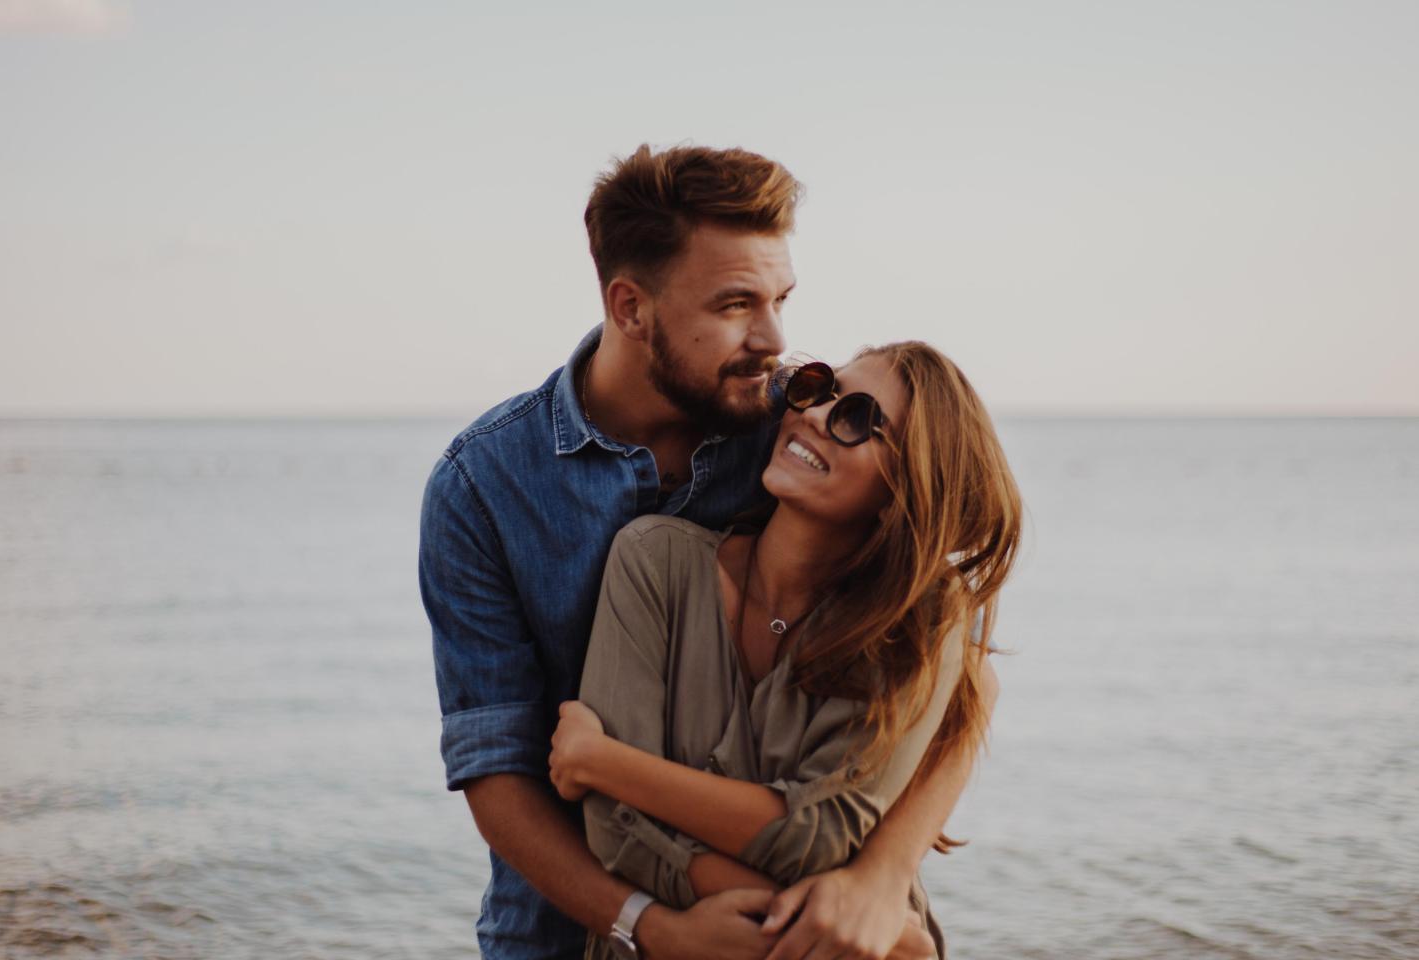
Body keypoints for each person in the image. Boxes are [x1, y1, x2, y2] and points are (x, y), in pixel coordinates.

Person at [420, 144, 992, 960]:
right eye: (734, 305)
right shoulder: (483, 486)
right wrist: (650, 926)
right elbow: (497, 772)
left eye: (780, 299)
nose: (774, 339)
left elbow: (958, 677)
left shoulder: (797, 425)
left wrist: (877, 879)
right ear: (630, 308)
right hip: (565, 930)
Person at [547, 344, 1022, 959]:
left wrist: (603, 763)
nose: (818, 415)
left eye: (857, 419)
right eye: (820, 387)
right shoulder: (654, 562)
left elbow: (817, 832)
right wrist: (840, 919)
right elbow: (614, 831)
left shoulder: (914, 627)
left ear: (902, 489)